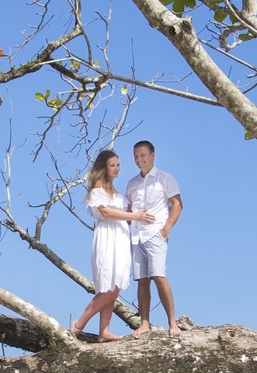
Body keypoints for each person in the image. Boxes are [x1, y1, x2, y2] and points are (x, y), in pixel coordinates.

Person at [71, 149, 153, 341]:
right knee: (108, 287)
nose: (117, 169)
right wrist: (134, 216)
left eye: (118, 165)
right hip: (108, 237)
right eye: (112, 165)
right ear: (103, 167)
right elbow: (107, 213)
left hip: (120, 238)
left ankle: (104, 331)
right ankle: (78, 324)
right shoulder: (98, 187)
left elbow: (128, 210)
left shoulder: (114, 190)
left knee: (114, 285)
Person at [124, 140, 183, 337]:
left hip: (155, 234)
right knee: (142, 280)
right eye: (135, 156)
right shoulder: (132, 183)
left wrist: (166, 229)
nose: (139, 159)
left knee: (158, 275)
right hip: (136, 236)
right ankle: (144, 323)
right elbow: (129, 209)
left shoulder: (165, 178)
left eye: (142, 155)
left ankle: (173, 323)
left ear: (152, 155)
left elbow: (177, 205)